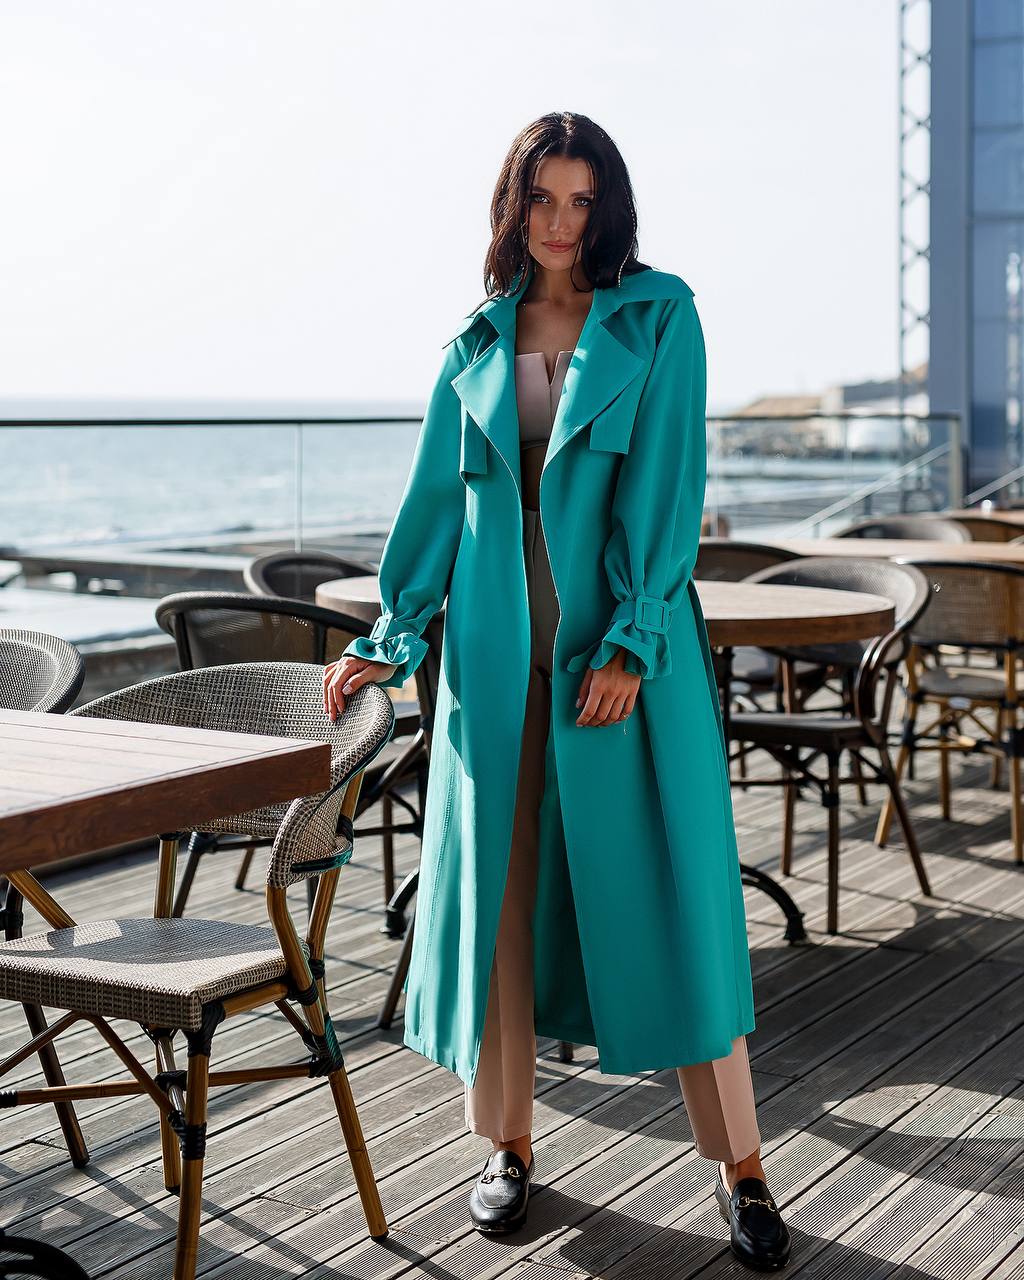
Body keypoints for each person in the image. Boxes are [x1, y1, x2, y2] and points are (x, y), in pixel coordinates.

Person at [324, 111, 791, 1270]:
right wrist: (391, 636)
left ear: (608, 208)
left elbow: (669, 486)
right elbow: (436, 505)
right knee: (502, 909)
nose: (561, 222)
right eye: (543, 198)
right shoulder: (476, 341)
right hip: (491, 667)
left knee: (681, 907)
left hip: (621, 664)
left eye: (582, 201)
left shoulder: (657, 315)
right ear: (512, 202)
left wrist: (632, 640)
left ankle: (742, 1169)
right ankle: (508, 1144)